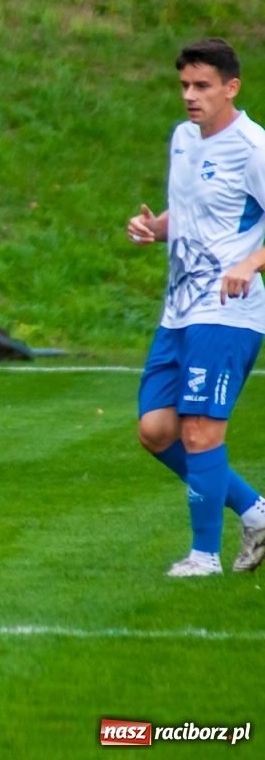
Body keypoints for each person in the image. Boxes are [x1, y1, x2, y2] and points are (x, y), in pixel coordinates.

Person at [128, 38, 265, 577]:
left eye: (202, 86)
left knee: (200, 431)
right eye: (185, 84)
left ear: (231, 88)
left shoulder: (253, 147)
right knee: (156, 429)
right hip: (180, 306)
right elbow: (194, 211)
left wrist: (252, 262)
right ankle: (256, 512)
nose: (190, 95)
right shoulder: (184, 139)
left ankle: (203, 556)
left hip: (229, 309)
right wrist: (156, 227)